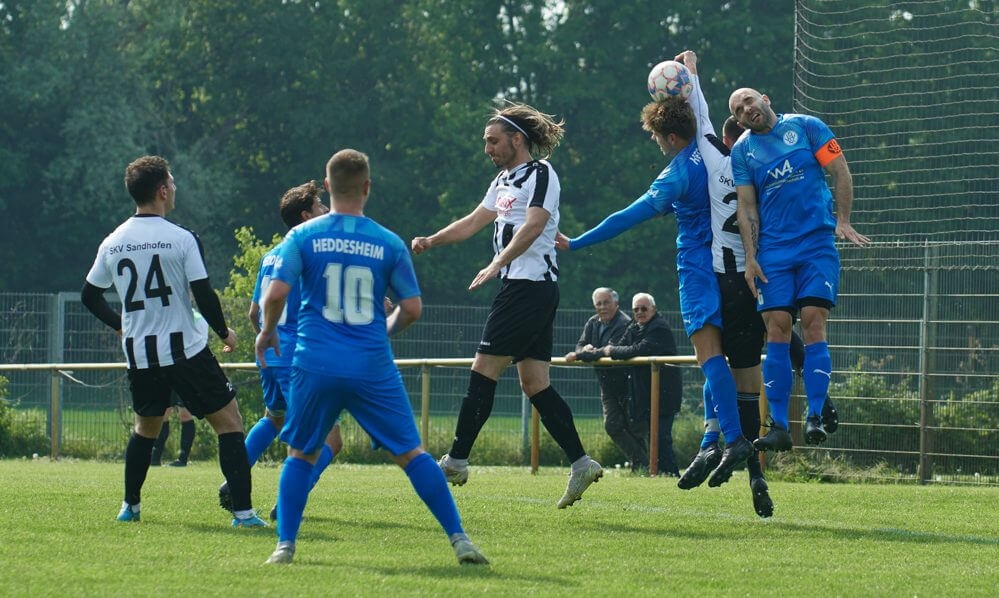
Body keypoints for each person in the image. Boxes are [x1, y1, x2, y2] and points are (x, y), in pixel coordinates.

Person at [257, 149, 487, 565]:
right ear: (367, 187)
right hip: (371, 365)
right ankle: (460, 540)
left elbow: (274, 295)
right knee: (412, 455)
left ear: (328, 186)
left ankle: (284, 546)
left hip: (315, 362)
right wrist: (382, 331)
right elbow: (412, 308)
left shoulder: (301, 237)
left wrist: (267, 332)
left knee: (301, 453)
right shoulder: (387, 242)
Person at [411, 103, 603, 508]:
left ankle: (457, 460)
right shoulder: (502, 180)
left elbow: (534, 226)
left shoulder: (542, 174)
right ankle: (581, 463)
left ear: (517, 139)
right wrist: (432, 239)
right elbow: (473, 221)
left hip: (528, 287)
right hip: (522, 287)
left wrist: (499, 262)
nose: (488, 148)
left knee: (484, 369)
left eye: (493, 140)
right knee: (535, 383)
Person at [555, 95, 753, 488]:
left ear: (673, 136)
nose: (656, 144)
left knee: (707, 354)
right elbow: (700, 104)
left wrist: (576, 243)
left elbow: (626, 216)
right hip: (731, 263)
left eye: (658, 137)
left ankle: (734, 440)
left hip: (697, 267)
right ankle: (712, 437)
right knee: (727, 357)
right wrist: (689, 76)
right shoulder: (708, 144)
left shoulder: (676, 174)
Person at [673, 51, 839, 518]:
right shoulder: (755, 167)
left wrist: (693, 79)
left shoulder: (710, 168)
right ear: (737, 135)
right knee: (768, 353)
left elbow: (702, 120)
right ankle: (759, 465)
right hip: (761, 272)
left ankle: (715, 441)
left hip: (731, 275)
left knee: (715, 363)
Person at [81, 155, 265, 527]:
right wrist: (224, 332)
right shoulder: (181, 238)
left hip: (141, 355)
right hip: (186, 351)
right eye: (173, 182)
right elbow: (204, 294)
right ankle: (243, 515)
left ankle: (130, 507)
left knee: (145, 430)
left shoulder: (112, 242)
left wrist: (121, 326)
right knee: (229, 423)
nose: (175, 188)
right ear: (162, 191)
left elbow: (89, 295)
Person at [729, 81, 868, 452]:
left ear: (765, 98)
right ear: (739, 122)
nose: (746, 110)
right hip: (773, 252)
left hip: (816, 244)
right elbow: (746, 206)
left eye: (748, 101)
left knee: (813, 321)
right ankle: (777, 425)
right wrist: (751, 256)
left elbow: (840, 171)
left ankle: (816, 415)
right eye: (738, 111)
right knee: (776, 328)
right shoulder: (742, 152)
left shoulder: (807, 127)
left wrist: (843, 220)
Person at [219, 181, 344, 521]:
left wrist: (269, 341)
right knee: (330, 440)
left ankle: (235, 477)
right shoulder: (312, 252)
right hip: (299, 359)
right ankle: (289, 500)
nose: (327, 211)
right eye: (321, 207)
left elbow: (253, 313)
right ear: (307, 215)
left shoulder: (272, 255)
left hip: (271, 357)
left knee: (273, 418)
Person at [589, 293, 683, 476]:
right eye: (636, 309)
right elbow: (620, 345)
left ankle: (670, 473)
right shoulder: (635, 326)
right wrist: (591, 352)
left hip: (664, 392)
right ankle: (659, 471)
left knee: (661, 436)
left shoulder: (659, 328)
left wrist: (611, 350)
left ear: (653, 309)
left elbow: (637, 350)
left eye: (644, 308)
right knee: (652, 434)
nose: (640, 312)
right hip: (646, 391)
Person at [565, 287, 646, 469]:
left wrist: (582, 354)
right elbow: (580, 345)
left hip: (628, 382)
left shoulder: (625, 323)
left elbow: (610, 351)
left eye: (606, 302)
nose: (602, 307)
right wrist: (583, 351)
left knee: (634, 427)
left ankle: (642, 465)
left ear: (616, 303)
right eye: (599, 304)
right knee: (612, 425)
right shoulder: (592, 322)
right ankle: (642, 463)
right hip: (607, 384)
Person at [149, 395, 195, 467]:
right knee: (164, 413)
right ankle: (155, 458)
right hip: (168, 384)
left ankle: (183, 459)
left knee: (184, 413)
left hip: (184, 385)